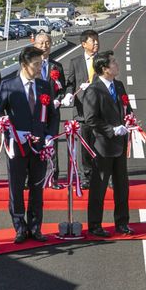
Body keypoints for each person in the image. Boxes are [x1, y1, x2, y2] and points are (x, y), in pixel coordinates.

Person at [0, 47, 58, 243]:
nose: (40, 67)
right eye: (36, 64)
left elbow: (52, 115)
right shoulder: (8, 85)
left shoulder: (43, 86)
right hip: (17, 144)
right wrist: (11, 132)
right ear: (24, 65)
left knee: (37, 186)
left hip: (39, 144)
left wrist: (49, 135)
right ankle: (19, 226)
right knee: (16, 186)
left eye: (41, 63)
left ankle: (35, 226)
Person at [82, 50, 134, 238]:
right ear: (104, 68)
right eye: (113, 62)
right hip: (102, 146)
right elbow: (90, 119)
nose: (116, 64)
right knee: (99, 187)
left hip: (120, 145)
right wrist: (112, 130)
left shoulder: (118, 86)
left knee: (122, 185)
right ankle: (95, 224)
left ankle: (122, 222)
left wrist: (130, 120)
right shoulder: (93, 90)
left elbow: (127, 107)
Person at [63, 29, 99, 188]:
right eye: (93, 41)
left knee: (100, 145)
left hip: (100, 111)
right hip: (82, 111)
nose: (96, 43)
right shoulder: (75, 62)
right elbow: (70, 83)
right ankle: (86, 176)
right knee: (84, 145)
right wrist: (69, 94)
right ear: (84, 44)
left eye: (97, 40)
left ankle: (102, 174)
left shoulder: (103, 60)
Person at [34, 32, 67, 189]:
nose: (44, 46)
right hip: (34, 113)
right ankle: (32, 178)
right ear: (35, 45)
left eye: (47, 43)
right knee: (33, 144)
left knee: (52, 145)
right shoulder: (31, 66)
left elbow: (63, 89)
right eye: (41, 43)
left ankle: (53, 178)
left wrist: (58, 100)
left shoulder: (57, 66)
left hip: (52, 113)